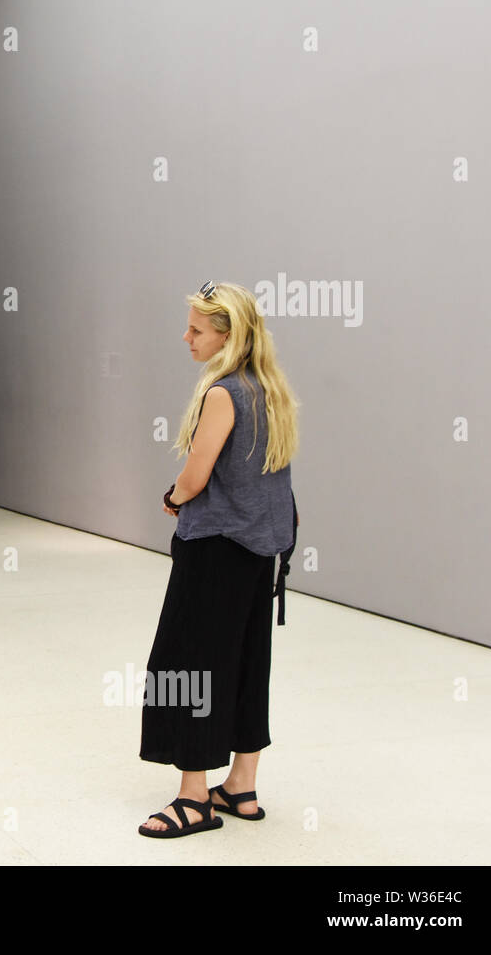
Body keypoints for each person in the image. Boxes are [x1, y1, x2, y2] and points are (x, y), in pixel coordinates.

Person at [137, 280, 299, 839]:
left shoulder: (224, 394)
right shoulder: (269, 389)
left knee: (188, 667)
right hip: (260, 551)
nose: (186, 337)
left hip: (215, 550)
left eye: (197, 329)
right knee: (247, 660)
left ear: (227, 335)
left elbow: (196, 474)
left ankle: (193, 798)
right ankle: (242, 786)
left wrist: (171, 497)